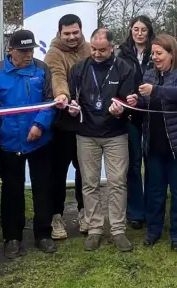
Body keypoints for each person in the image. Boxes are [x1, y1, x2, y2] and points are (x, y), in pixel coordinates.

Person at [115, 34, 177, 251]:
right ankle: (153, 230)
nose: (155, 57)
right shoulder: (149, 74)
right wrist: (136, 100)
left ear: (172, 54)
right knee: (155, 188)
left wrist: (155, 91)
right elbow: (146, 101)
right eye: (153, 53)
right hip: (153, 144)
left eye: (159, 53)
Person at [0, 29, 59, 259]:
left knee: (42, 188)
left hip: (40, 140)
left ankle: (43, 234)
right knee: (12, 190)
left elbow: (50, 100)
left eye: (30, 49)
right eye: (23, 51)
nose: (28, 54)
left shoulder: (41, 69)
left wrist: (40, 125)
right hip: (9, 143)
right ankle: (12, 237)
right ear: (11, 50)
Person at [66, 28, 136, 252]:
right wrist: (72, 107)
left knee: (117, 181)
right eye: (93, 49)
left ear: (112, 47)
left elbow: (128, 102)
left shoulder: (124, 68)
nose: (96, 53)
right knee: (89, 182)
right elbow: (71, 96)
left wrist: (121, 110)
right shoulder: (80, 68)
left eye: (102, 50)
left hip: (115, 133)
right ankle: (95, 228)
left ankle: (117, 229)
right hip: (86, 134)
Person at [43, 14, 89, 239]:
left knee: (85, 172)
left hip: (86, 122)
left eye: (75, 33)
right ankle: (56, 217)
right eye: (67, 33)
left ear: (81, 31)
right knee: (58, 173)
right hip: (62, 122)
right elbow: (57, 77)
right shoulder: (54, 53)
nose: (71, 37)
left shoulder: (90, 49)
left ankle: (84, 212)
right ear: (60, 33)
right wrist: (63, 96)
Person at [116, 15, 155, 230]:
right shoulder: (122, 54)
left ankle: (151, 209)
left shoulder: (157, 51)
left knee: (151, 163)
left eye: (143, 30)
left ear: (149, 32)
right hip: (130, 115)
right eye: (135, 29)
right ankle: (135, 212)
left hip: (151, 113)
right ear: (130, 30)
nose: (139, 33)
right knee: (132, 164)